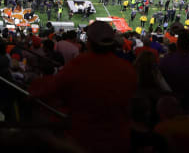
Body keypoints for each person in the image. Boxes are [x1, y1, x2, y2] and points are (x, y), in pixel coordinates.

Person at [29, 21, 137, 153]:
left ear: (89, 42)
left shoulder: (79, 65)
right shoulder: (127, 69)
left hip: (83, 140)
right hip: (119, 141)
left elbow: (50, 90)